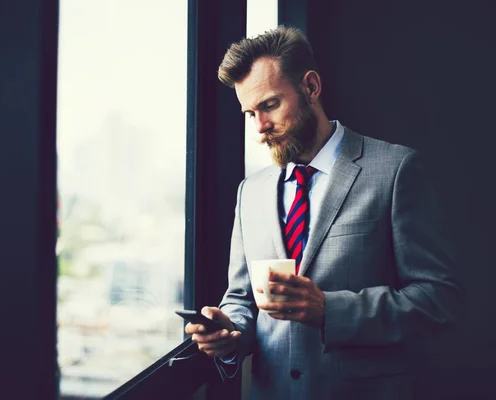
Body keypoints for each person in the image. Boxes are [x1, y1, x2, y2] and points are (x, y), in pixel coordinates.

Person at [184, 26, 463, 399]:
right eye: (250, 113)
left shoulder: (396, 171)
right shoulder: (250, 192)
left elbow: (439, 299)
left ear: (311, 87)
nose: (260, 128)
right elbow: (241, 299)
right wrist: (228, 332)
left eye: (269, 105)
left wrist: (331, 310)